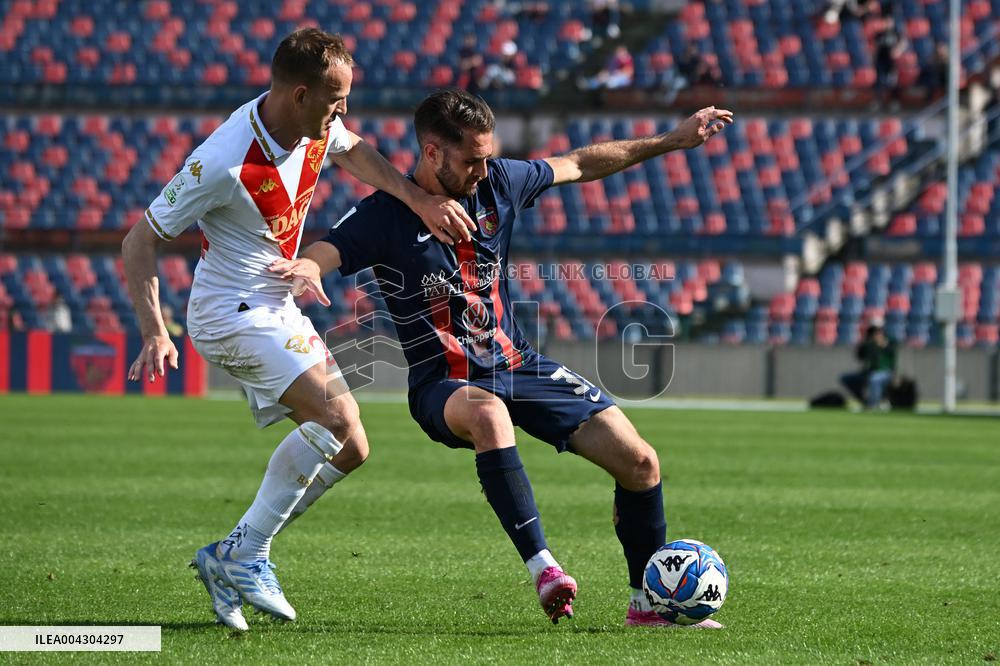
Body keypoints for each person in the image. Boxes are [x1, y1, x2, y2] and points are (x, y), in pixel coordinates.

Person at [270, 89, 733, 627]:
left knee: (640, 462)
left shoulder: (500, 183)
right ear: (433, 152)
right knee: (487, 413)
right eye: (471, 159)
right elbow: (328, 249)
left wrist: (672, 141)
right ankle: (544, 568)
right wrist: (307, 268)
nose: (482, 169)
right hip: (444, 383)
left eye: (488, 156)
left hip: (519, 365)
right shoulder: (384, 215)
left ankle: (647, 604)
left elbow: (581, 163)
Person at [121, 28, 476, 632]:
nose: (344, 112)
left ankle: (230, 554)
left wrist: (416, 200)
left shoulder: (316, 125)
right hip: (228, 310)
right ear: (300, 94)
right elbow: (139, 241)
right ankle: (246, 554)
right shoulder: (222, 160)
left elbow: (356, 151)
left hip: (276, 304)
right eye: (336, 100)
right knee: (334, 420)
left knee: (352, 445)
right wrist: (155, 331)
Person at [840, 323, 897, 409]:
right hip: (868, 372)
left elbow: (892, 358)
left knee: (875, 379)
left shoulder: (889, 343)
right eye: (873, 332)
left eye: (878, 332)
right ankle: (864, 401)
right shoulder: (868, 345)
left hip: (885, 372)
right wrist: (866, 344)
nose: (876, 335)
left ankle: (873, 405)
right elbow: (860, 357)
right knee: (846, 378)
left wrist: (882, 346)